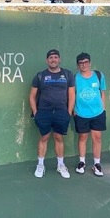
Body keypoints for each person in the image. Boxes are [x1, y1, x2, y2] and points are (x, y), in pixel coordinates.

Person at [29, 49, 75, 179]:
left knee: (59, 138)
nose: (53, 60)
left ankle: (61, 165)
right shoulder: (40, 76)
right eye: (51, 58)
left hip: (61, 113)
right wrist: (35, 112)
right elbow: (32, 96)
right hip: (44, 112)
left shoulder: (67, 74)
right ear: (47, 60)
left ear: (59, 59)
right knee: (44, 138)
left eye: (55, 57)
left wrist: (68, 112)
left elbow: (71, 95)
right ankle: (40, 165)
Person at [73, 52, 106, 176]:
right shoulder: (75, 78)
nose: (84, 65)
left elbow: (102, 92)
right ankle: (82, 162)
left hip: (98, 113)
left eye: (86, 62)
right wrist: (73, 110)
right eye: (81, 63)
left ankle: (97, 164)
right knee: (82, 137)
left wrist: (103, 108)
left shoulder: (99, 75)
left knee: (97, 138)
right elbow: (72, 94)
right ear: (78, 66)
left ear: (90, 63)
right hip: (81, 113)